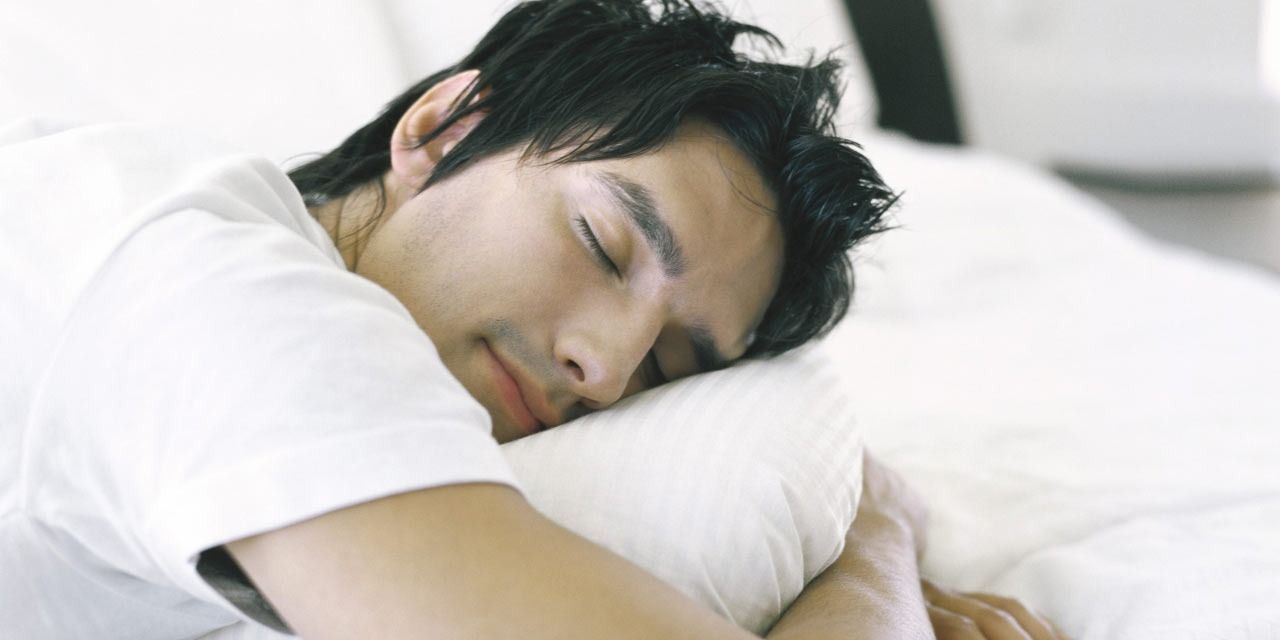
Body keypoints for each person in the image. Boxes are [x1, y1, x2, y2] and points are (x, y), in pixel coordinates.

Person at [0, 0, 1063, 637]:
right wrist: (874, 538)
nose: (606, 367)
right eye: (603, 243)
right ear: (445, 127)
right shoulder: (228, 300)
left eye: (668, 364)